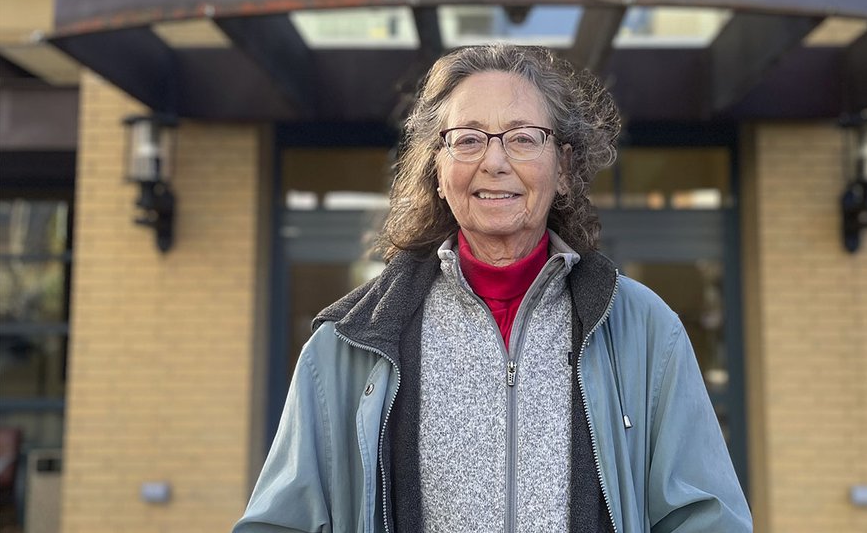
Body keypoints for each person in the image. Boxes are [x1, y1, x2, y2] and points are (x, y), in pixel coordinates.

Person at [233, 44, 752, 532]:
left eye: (524, 137)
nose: (495, 161)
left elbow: (707, 519)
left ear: (565, 169)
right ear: (438, 170)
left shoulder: (643, 329)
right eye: (468, 139)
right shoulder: (349, 344)